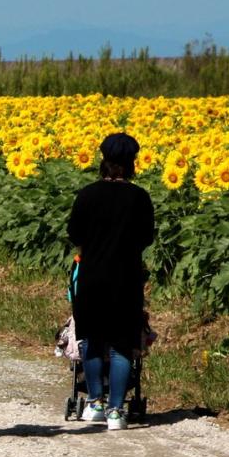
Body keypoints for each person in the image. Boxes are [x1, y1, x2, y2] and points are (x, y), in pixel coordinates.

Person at [67, 132, 156, 431]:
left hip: (92, 279)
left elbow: (75, 235)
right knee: (121, 345)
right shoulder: (139, 198)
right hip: (126, 280)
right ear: (132, 163)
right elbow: (146, 238)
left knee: (91, 341)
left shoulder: (87, 195)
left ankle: (95, 404)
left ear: (103, 160)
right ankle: (117, 411)